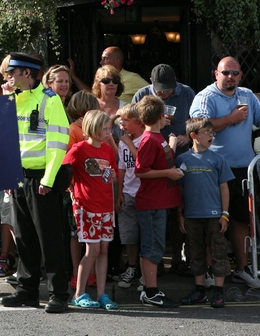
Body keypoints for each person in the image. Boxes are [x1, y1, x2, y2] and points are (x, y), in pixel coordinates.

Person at [189, 57, 260, 288]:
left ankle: (242, 268)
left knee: (242, 221)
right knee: (212, 222)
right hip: (212, 170)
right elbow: (199, 126)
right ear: (215, 74)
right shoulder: (206, 97)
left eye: (235, 73)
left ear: (240, 76)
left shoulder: (248, 95)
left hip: (242, 171)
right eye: (225, 72)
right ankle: (209, 271)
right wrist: (231, 119)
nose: (230, 77)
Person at [0, 53, 71, 313]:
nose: (9, 77)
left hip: (42, 178)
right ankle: (27, 291)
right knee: (24, 237)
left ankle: (58, 294)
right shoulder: (14, 99)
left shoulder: (49, 101)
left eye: (12, 73)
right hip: (19, 177)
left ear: (26, 74)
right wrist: (8, 174)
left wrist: (48, 179)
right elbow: (6, 138)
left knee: (50, 238)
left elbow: (57, 144)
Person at [63, 110, 118, 310]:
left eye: (109, 128)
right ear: (92, 128)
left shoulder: (108, 150)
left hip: (106, 206)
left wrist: (111, 176)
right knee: (92, 249)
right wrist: (70, 186)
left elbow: (112, 175)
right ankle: (79, 293)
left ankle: (102, 294)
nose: (108, 132)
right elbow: (64, 168)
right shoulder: (79, 149)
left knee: (104, 250)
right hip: (87, 206)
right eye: (104, 128)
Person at [176, 117, 233, 308]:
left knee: (218, 252)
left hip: (214, 215)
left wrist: (224, 214)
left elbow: (224, 188)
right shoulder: (183, 159)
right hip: (191, 215)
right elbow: (180, 190)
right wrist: (180, 214)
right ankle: (199, 290)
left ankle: (218, 291)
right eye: (206, 132)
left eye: (212, 133)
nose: (211, 136)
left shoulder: (218, 159)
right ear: (193, 135)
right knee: (195, 253)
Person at [134, 95, 183, 308]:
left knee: (155, 246)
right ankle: (150, 292)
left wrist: (170, 145)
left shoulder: (157, 137)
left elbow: (160, 159)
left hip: (158, 201)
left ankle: (150, 290)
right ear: (161, 116)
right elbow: (141, 171)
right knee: (152, 247)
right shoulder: (148, 140)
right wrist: (169, 173)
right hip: (152, 202)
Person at [132, 64, 196, 153]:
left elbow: (197, 121)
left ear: (175, 80)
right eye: (160, 89)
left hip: (180, 151)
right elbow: (132, 123)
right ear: (151, 81)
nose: (164, 92)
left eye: (168, 88)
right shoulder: (142, 95)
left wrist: (187, 136)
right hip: (151, 150)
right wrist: (154, 123)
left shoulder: (187, 93)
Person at [116, 103, 144, 289]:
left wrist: (128, 143)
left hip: (145, 194)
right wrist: (119, 192)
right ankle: (132, 267)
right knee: (129, 235)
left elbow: (143, 162)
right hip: (128, 192)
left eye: (126, 120)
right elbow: (121, 168)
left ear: (140, 121)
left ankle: (146, 272)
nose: (122, 123)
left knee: (146, 235)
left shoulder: (145, 139)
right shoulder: (123, 141)